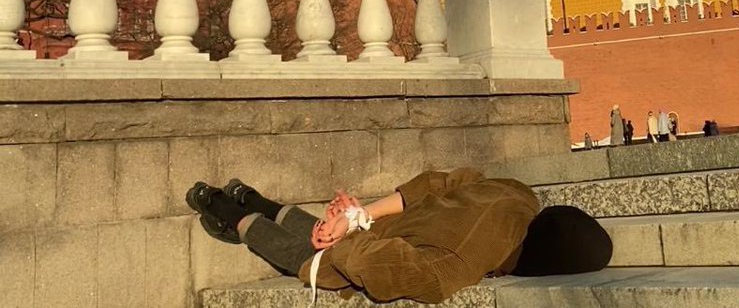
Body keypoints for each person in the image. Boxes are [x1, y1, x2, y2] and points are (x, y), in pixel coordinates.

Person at [185, 169, 612, 304]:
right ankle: (223, 210)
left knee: (316, 229)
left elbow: (440, 181)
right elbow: (375, 265)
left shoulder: (514, 193)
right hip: (359, 246)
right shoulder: (458, 265)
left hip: (377, 224)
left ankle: (250, 197)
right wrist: (349, 239)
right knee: (297, 252)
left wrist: (357, 215)